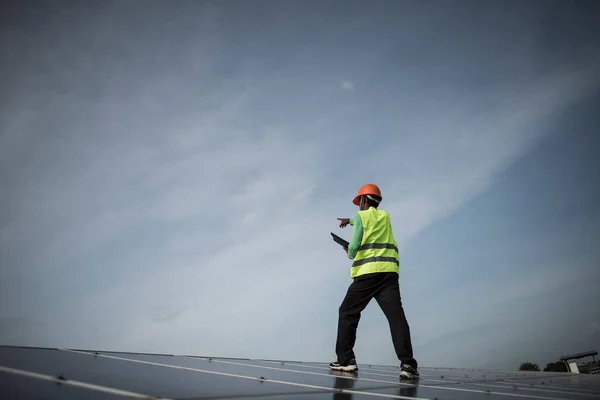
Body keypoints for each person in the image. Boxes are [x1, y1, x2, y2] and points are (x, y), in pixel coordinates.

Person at [329, 183, 419, 380]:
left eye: (358, 202)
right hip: (389, 274)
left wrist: (348, 250)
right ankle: (408, 364)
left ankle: (346, 360)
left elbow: (353, 248)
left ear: (362, 200)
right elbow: (363, 218)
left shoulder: (361, 217)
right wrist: (350, 220)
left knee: (347, 312)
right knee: (396, 317)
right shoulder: (384, 216)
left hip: (368, 273)